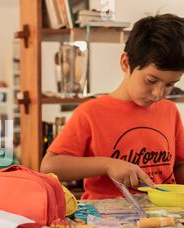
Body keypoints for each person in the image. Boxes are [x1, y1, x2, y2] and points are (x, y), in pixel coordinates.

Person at [40, 14, 184, 200]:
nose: (158, 93)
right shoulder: (91, 112)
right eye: (151, 80)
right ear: (126, 63)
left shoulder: (169, 110)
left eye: (169, 84)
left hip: (163, 216)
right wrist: (107, 165)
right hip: (107, 220)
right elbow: (50, 166)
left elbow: (179, 166)